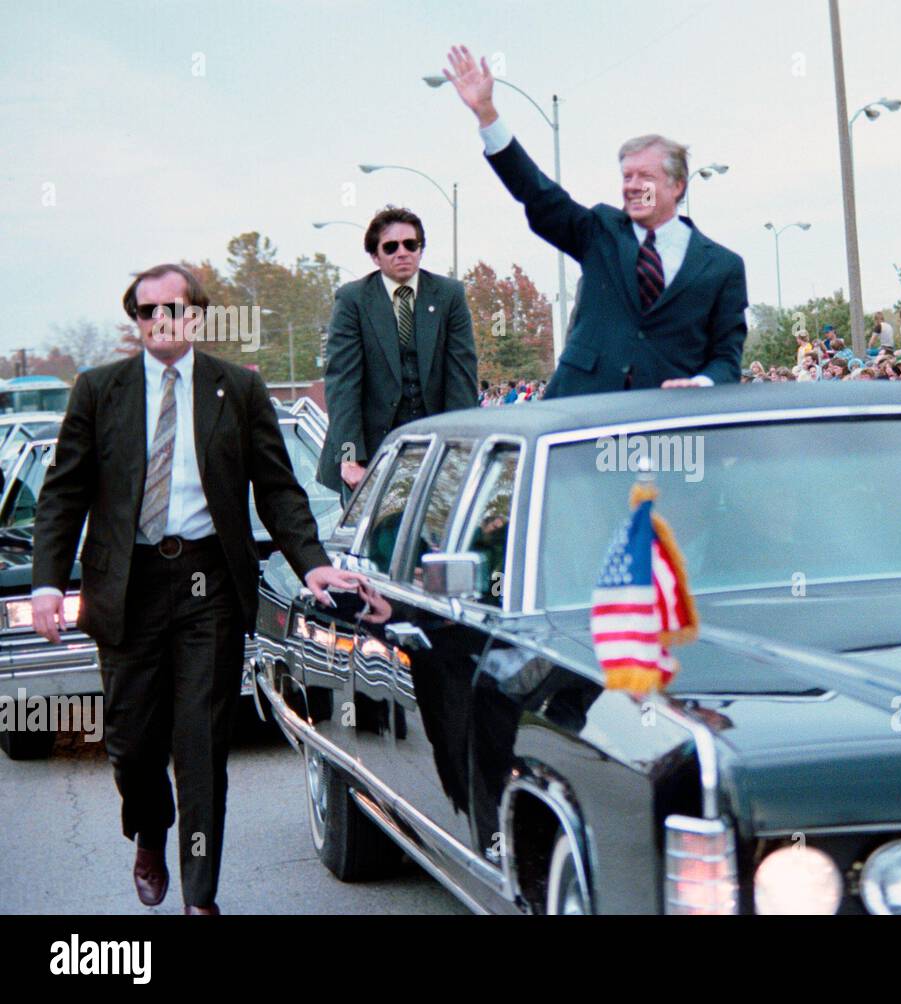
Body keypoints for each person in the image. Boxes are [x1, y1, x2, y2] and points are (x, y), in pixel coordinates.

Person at [32, 264, 367, 914]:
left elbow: (276, 489)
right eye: (148, 310)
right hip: (127, 588)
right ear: (137, 321)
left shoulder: (235, 390)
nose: (162, 320)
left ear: (196, 316)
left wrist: (314, 563)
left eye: (174, 308)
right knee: (131, 743)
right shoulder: (100, 392)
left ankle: (200, 897)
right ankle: (150, 832)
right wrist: (47, 582)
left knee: (202, 744)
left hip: (207, 585)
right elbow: (64, 493)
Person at [444, 45, 748, 397]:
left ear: (677, 185)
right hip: (580, 410)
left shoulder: (722, 267)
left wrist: (700, 384)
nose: (631, 186)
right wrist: (487, 115)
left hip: (664, 423)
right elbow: (538, 194)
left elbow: (726, 358)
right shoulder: (600, 232)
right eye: (626, 176)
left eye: (643, 177)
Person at [317, 205, 478, 501]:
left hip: (437, 449)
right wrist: (350, 458)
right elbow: (342, 384)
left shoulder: (449, 295)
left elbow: (462, 379)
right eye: (390, 247)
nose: (402, 252)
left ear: (420, 249)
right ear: (375, 256)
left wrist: (462, 452)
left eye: (410, 244)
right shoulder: (353, 300)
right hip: (372, 455)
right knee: (379, 544)